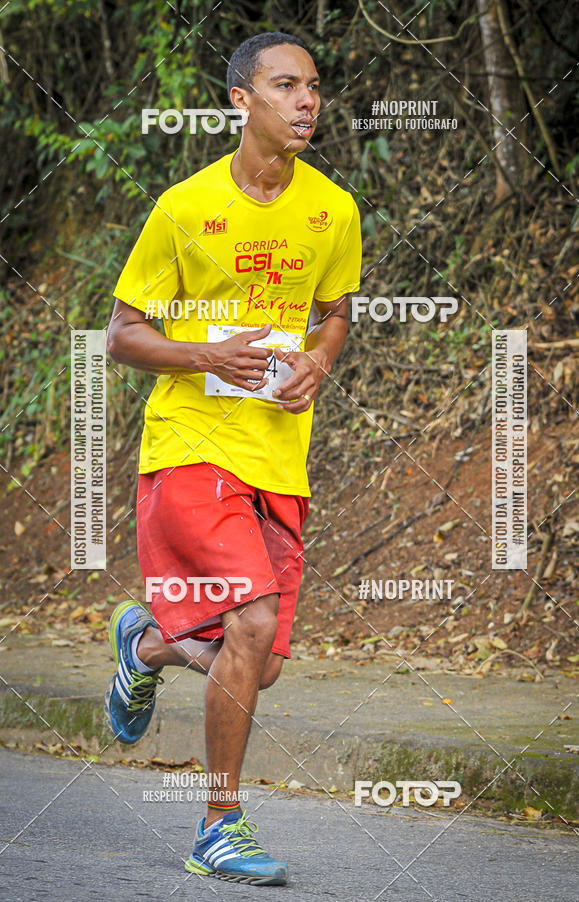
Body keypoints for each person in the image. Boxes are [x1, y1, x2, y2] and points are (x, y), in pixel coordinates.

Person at [104, 30, 361, 886]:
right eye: (286, 85)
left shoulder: (334, 209)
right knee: (248, 624)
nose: (307, 101)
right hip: (190, 448)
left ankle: (146, 646)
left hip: (279, 457)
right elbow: (123, 335)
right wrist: (207, 356)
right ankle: (219, 824)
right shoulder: (184, 207)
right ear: (239, 102)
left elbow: (335, 311)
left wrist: (320, 361)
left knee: (265, 663)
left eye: (314, 86)